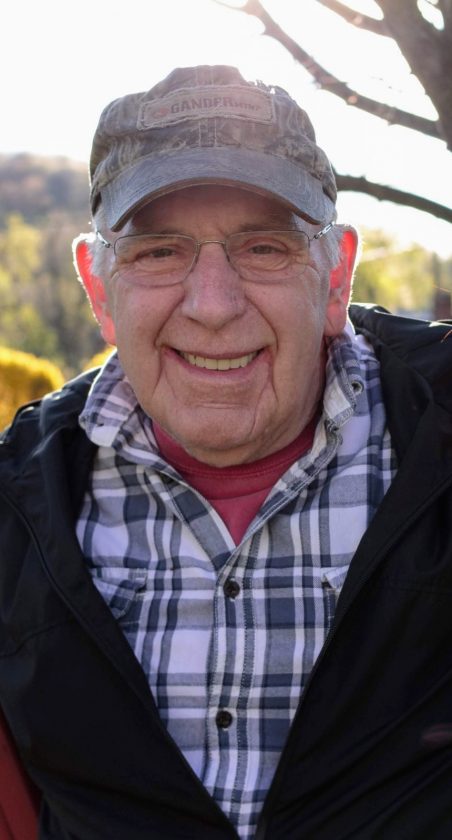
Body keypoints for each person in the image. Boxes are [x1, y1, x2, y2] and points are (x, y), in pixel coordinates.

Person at [0, 64, 452, 840]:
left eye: (265, 247)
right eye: (158, 252)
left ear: (336, 277)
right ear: (100, 289)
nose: (213, 305)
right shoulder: (16, 502)